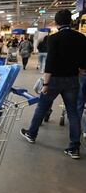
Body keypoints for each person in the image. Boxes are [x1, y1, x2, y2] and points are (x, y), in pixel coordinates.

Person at [20, 9, 86, 159]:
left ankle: (31, 133)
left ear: (56, 23)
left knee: (42, 107)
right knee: (73, 113)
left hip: (54, 79)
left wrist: (45, 83)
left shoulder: (53, 38)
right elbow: (84, 61)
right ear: (71, 21)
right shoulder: (81, 38)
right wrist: (79, 71)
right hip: (72, 80)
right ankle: (74, 147)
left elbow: (50, 62)